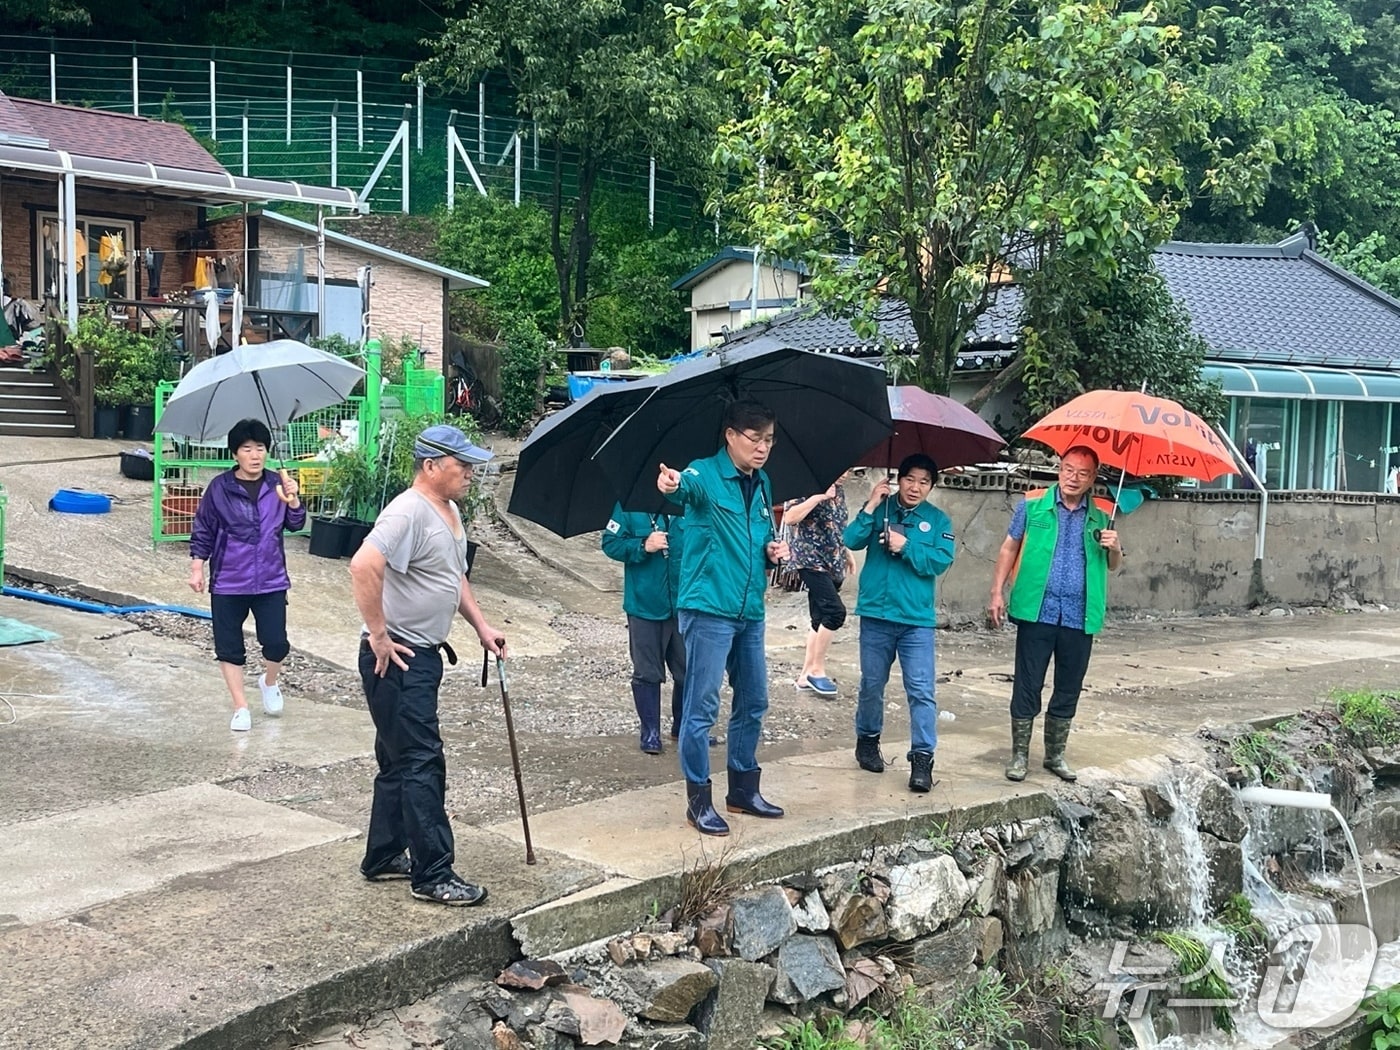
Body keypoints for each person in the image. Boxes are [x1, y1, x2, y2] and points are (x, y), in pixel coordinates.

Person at [349, 424, 506, 906]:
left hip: (421, 656)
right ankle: (433, 873)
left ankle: (384, 853)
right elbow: (363, 565)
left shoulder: (450, 510)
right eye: (462, 466)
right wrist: (378, 635)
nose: (470, 475)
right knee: (422, 761)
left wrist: (480, 625)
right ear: (431, 466)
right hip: (397, 658)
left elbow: (452, 576)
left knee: (398, 759)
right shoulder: (408, 512)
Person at [657, 399, 790, 837]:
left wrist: (771, 552)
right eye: (755, 439)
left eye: (769, 439)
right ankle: (698, 800)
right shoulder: (702, 474)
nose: (763, 448)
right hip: (708, 606)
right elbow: (685, 489)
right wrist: (671, 484)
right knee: (703, 705)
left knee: (754, 699)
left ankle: (743, 790)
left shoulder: (764, 482)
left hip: (749, 608)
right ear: (730, 435)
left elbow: (761, 538)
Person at [988, 446, 1123, 783]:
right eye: (1067, 469)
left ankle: (1055, 755)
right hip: (1038, 610)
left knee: (1069, 686)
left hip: (1080, 615)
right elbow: (1009, 546)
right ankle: (1019, 755)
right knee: (1027, 683)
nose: (1072, 478)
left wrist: (1115, 547)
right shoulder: (1032, 505)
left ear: (1092, 478)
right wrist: (996, 591)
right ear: (1059, 470)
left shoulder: (1103, 513)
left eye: (1081, 473)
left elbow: (1114, 565)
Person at [843, 454, 956, 793]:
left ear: (931, 486)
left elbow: (939, 561)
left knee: (921, 690)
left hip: (915, 621)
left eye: (924, 481)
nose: (915, 487)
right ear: (900, 479)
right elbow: (851, 540)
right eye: (910, 479)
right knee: (871, 684)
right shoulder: (881, 508)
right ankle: (867, 741)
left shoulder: (938, 521)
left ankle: (922, 759)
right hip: (877, 615)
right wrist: (870, 505)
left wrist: (906, 546)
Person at [188, 418, 304, 732]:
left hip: (270, 578)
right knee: (229, 646)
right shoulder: (220, 488)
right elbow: (204, 529)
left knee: (277, 643)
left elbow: (296, 524)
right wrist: (198, 566)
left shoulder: (277, 483)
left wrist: (293, 498)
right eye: (247, 449)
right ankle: (241, 706)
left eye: (261, 448)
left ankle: (268, 682)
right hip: (229, 579)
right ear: (235, 454)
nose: (255, 455)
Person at [600, 502, 689, 754]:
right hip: (645, 604)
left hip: (685, 603)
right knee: (647, 671)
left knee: (690, 670)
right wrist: (643, 546)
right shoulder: (629, 505)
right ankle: (650, 731)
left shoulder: (690, 501)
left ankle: (685, 728)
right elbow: (610, 543)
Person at [781, 473, 855, 697]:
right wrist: (817, 497)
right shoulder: (806, 485)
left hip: (832, 561)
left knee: (820, 618)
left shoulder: (839, 492)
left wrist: (846, 552)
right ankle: (816, 670)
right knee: (835, 613)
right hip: (809, 560)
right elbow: (790, 517)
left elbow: (835, 527)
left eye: (850, 469)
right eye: (843, 469)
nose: (846, 474)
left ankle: (804, 677)